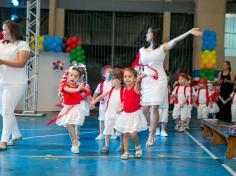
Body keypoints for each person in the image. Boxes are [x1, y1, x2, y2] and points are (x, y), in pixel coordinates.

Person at [138, 27, 202, 146]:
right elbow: (141, 65)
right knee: (144, 109)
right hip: (146, 80)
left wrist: (188, 32)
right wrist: (138, 73)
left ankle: (151, 136)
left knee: (154, 107)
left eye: (149, 32)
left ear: (154, 34)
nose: (146, 34)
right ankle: (153, 126)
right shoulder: (141, 50)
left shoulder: (162, 48)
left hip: (159, 80)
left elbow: (176, 40)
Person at [0, 20, 30, 150]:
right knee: (4, 111)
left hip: (16, 83)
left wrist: (2, 61)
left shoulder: (22, 44)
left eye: (5, 29)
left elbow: (21, 63)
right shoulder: (1, 44)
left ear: (12, 31)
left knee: (7, 111)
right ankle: (16, 134)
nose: (2, 32)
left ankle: (3, 140)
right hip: (2, 81)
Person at [54, 64, 91, 153]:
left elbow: (87, 97)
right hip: (67, 108)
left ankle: (74, 141)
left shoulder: (80, 88)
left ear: (78, 79)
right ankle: (75, 140)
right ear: (68, 76)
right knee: (68, 125)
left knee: (69, 124)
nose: (73, 78)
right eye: (71, 75)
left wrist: (86, 92)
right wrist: (78, 89)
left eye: (75, 76)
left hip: (76, 108)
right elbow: (70, 90)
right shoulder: (65, 86)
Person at [114, 67, 148, 160]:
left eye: (130, 76)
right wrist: (120, 107)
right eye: (125, 76)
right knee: (125, 134)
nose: (127, 78)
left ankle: (137, 146)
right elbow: (125, 101)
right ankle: (126, 152)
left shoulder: (136, 88)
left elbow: (138, 83)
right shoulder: (124, 89)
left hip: (135, 115)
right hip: (126, 114)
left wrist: (140, 78)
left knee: (133, 134)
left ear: (135, 78)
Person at [91, 69, 123, 154]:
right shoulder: (111, 89)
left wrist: (121, 108)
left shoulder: (123, 90)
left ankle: (122, 145)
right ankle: (106, 145)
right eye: (111, 78)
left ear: (120, 80)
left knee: (121, 130)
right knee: (107, 129)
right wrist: (94, 101)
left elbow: (125, 101)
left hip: (119, 114)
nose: (111, 80)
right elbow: (101, 96)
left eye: (113, 79)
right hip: (109, 113)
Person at [93, 65, 113, 140]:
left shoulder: (114, 83)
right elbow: (95, 93)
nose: (111, 73)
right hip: (103, 105)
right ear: (104, 74)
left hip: (112, 105)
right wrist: (93, 101)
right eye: (109, 72)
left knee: (112, 119)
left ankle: (112, 133)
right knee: (102, 119)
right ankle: (101, 133)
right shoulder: (101, 84)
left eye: (112, 72)